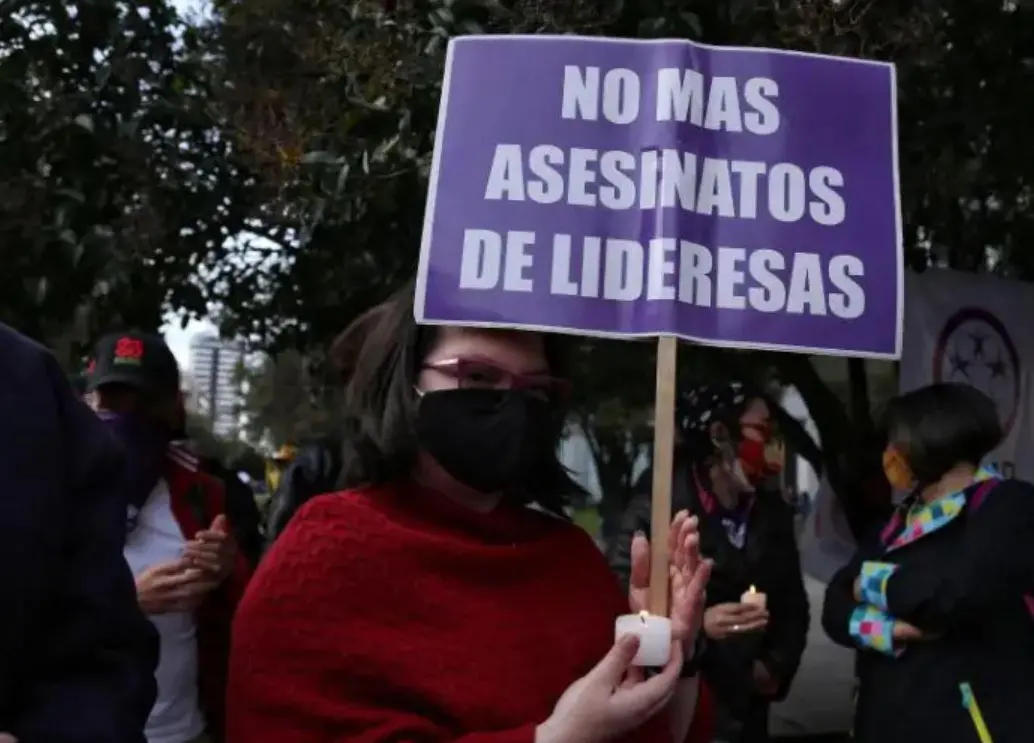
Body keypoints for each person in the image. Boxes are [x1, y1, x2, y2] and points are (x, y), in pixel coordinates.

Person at [226, 282, 712, 743]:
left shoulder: (570, 560)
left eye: (535, 391)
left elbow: (652, 730)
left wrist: (671, 655)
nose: (511, 406)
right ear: (407, 379)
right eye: (477, 376)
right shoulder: (320, 557)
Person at [822, 383, 1034, 743]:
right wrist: (891, 630)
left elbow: (948, 596)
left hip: (969, 724)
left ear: (933, 440)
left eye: (896, 442)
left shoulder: (1008, 506)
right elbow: (834, 608)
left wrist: (867, 583)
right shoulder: (899, 519)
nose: (888, 455)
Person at [610, 382, 809, 743]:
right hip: (682, 705)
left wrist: (775, 666)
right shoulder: (655, 510)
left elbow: (793, 604)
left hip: (748, 707)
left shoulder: (773, 511)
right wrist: (697, 628)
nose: (772, 444)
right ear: (719, 435)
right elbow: (622, 607)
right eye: (763, 430)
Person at [87, 331, 252, 743]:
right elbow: (26, 614)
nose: (126, 418)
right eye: (113, 402)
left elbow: (243, 615)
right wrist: (126, 603)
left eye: (143, 404)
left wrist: (225, 570)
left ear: (173, 409)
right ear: (88, 404)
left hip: (182, 731)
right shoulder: (50, 491)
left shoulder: (203, 494)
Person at [0, 322, 158, 742]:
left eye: (134, 402)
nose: (118, 414)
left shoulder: (29, 388)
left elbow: (100, 654)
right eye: (106, 397)